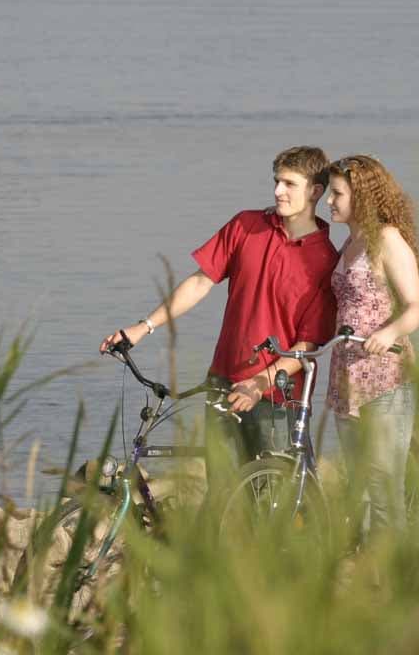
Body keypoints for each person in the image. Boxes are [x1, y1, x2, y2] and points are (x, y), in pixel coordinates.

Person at [99, 146, 338, 482]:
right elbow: (199, 283)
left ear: (315, 191)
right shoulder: (246, 226)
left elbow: (307, 346)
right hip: (222, 383)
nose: (277, 191)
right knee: (223, 498)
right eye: (276, 181)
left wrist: (258, 383)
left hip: (276, 397)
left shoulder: (326, 261)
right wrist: (143, 327)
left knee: (275, 498)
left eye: (289, 184)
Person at [325, 155, 419, 536]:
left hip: (386, 376)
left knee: (385, 487)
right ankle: (370, 572)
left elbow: (417, 307)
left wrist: (387, 334)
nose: (330, 202)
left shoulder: (387, 239)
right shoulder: (351, 241)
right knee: (360, 487)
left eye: (337, 194)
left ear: (362, 196)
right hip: (346, 375)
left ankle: (395, 579)